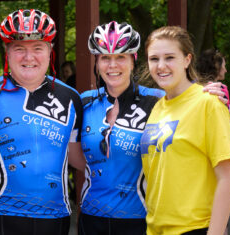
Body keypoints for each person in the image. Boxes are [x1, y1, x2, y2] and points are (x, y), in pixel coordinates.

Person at [0, 9, 85, 235]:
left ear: (50, 51)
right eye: (19, 49)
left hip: (56, 218)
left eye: (37, 48)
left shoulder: (71, 98)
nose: (29, 58)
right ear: (7, 52)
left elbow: (81, 157)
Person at [140, 26, 230, 235]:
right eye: (154, 58)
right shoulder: (157, 107)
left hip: (195, 229)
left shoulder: (208, 103)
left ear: (187, 60)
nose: (161, 65)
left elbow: (227, 177)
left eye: (170, 57)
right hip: (155, 229)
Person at [78, 21, 165, 235]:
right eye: (105, 58)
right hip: (91, 217)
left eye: (120, 57)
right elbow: (72, 155)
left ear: (133, 61)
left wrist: (210, 95)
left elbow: (200, 114)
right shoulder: (84, 102)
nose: (112, 65)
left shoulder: (157, 100)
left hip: (139, 218)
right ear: (97, 63)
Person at [197, 49, 230, 130]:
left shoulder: (192, 87)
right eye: (224, 66)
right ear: (217, 66)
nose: (226, 70)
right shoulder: (221, 89)